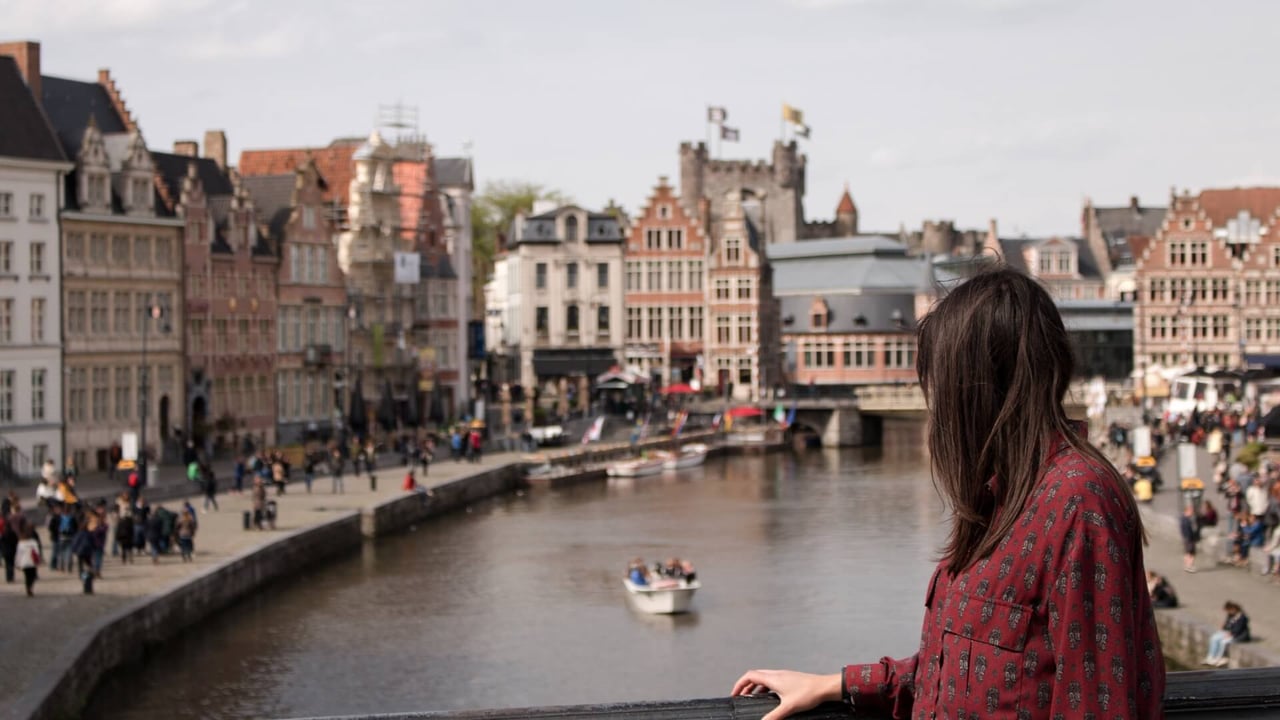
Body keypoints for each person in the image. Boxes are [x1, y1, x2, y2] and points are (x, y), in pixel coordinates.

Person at [730, 267, 1164, 720]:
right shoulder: (1000, 497)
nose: (933, 407)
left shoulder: (1078, 501)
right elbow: (956, 669)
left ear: (977, 389)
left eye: (938, 385)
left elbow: (1098, 702)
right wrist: (833, 684)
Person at [1204, 601, 1251, 667]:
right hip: (1229, 633)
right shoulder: (1231, 615)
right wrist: (1224, 627)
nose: (1228, 612)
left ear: (1233, 609)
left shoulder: (1242, 617)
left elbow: (1238, 629)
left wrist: (1231, 633)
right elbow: (1228, 625)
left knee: (1223, 642)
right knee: (1214, 638)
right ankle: (1211, 656)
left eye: (1229, 610)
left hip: (1239, 635)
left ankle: (1219, 658)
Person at [15, 527, 40, 596]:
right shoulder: (33, 542)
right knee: (33, 576)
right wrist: (38, 560)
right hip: (32, 562)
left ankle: (28, 588)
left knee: (27, 576)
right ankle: (30, 587)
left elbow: (18, 554)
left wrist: (17, 563)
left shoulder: (21, 543)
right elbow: (37, 552)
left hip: (24, 562)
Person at [1181, 504, 1201, 572]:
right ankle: (1189, 566)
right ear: (1187, 511)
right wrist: (1191, 538)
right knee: (1191, 553)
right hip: (1189, 538)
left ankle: (1187, 566)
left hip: (1187, 538)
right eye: (1191, 511)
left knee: (1187, 552)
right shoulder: (1186, 520)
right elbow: (1187, 530)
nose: (1192, 512)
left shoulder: (1184, 518)